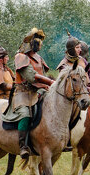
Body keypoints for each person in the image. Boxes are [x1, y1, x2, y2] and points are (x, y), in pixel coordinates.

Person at [4, 28, 54, 158]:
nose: (40, 44)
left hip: (39, 91)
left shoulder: (39, 58)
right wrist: (50, 82)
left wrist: (51, 84)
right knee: (25, 114)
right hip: (23, 93)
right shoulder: (20, 57)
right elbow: (31, 76)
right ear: (31, 43)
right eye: (37, 41)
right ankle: (23, 146)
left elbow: (43, 74)